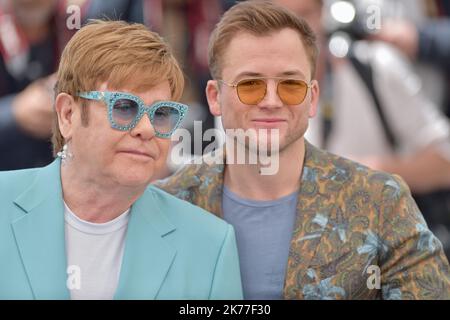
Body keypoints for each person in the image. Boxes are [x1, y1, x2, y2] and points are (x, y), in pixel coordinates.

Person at [155, 0, 450, 299]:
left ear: (312, 98)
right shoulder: (166, 204)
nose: (271, 101)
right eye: (250, 85)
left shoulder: (382, 202)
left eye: (291, 85)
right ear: (215, 98)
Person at [0, 20, 243, 300]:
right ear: (68, 114)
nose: (148, 129)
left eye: (162, 113)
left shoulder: (209, 245)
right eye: (125, 107)